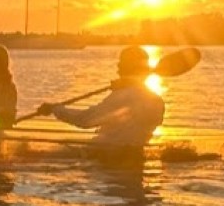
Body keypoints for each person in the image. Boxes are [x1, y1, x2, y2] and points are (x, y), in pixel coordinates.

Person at [37, 45, 165, 146]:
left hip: (107, 157)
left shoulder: (123, 96)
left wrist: (55, 109)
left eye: (121, 64)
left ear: (124, 67)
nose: (117, 68)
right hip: (134, 158)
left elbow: (85, 120)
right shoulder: (157, 101)